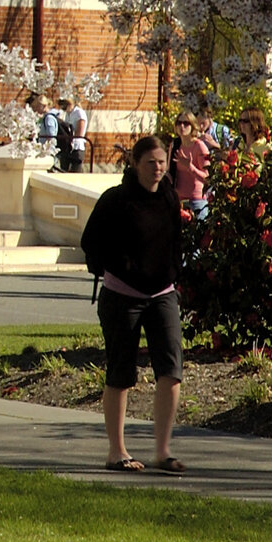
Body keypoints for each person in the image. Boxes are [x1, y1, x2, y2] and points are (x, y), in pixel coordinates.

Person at [80, 132, 185, 474]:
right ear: (135, 164)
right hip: (122, 296)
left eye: (162, 163)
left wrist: (174, 272)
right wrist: (117, 268)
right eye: (151, 163)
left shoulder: (169, 197)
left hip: (163, 294)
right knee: (121, 373)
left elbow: (175, 241)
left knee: (170, 372)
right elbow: (91, 243)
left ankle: (163, 450)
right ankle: (117, 451)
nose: (158, 169)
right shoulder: (116, 200)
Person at [171, 111, 211, 220]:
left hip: (196, 201)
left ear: (193, 126)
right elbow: (169, 171)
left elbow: (208, 178)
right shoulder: (175, 145)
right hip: (178, 201)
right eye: (179, 123)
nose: (182, 126)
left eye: (186, 123)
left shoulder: (199, 147)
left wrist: (190, 168)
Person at [58, 97, 87, 172]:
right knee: (63, 170)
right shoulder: (68, 114)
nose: (64, 110)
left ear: (69, 105)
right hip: (68, 146)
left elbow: (79, 133)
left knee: (75, 171)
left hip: (76, 147)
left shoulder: (79, 113)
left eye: (64, 108)